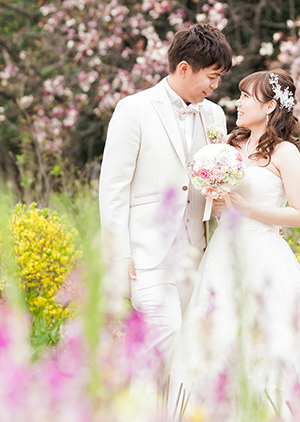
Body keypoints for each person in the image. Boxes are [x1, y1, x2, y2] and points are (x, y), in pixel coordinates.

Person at [169, 69, 300, 422]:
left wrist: (246, 208)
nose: (238, 103)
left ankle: (279, 410)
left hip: (265, 252)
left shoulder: (285, 152)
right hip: (224, 249)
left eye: (247, 97)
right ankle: (215, 412)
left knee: (270, 327)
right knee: (219, 323)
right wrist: (216, 199)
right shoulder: (229, 146)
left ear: (270, 106)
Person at [98, 24, 232, 369]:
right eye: (212, 76)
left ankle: (175, 419)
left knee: (190, 343)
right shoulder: (134, 109)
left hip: (196, 251)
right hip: (147, 254)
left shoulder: (214, 115)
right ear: (184, 69)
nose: (215, 86)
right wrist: (118, 254)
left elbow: (218, 177)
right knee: (166, 332)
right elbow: (113, 187)